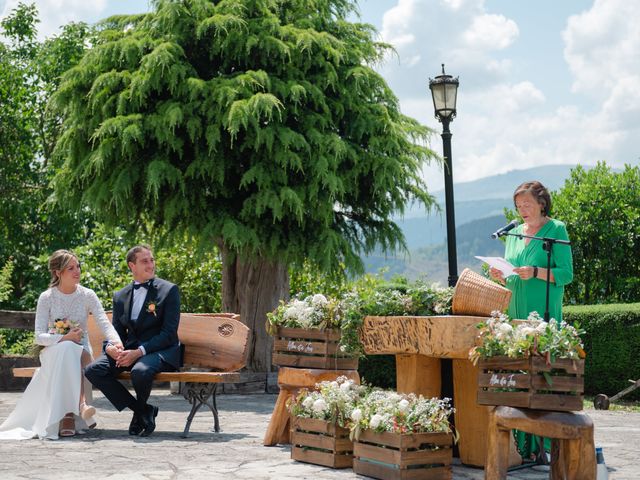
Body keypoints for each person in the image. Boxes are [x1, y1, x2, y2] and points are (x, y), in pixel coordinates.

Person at [490, 180, 574, 461]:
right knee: (520, 378)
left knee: (543, 375)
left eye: (527, 204)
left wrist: (536, 271)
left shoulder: (556, 230)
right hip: (516, 313)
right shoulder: (513, 233)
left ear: (541, 203)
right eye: (518, 206)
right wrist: (501, 275)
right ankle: (522, 447)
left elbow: (566, 274)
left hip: (544, 314)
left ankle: (547, 446)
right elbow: (511, 270)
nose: (522, 210)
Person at [0, 250, 122, 440]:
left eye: (78, 266)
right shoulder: (47, 297)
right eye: (70, 268)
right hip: (53, 351)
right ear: (58, 273)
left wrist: (117, 342)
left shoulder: (87, 295)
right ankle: (77, 409)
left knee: (72, 350)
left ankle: (69, 414)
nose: (77, 271)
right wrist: (64, 338)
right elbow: (39, 337)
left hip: (82, 351)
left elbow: (104, 322)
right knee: (66, 349)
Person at [85, 245, 181, 437]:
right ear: (132, 266)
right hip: (130, 350)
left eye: (152, 260)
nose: (151, 264)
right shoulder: (120, 296)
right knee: (93, 370)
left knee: (140, 371)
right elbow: (115, 331)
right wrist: (110, 347)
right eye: (145, 261)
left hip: (160, 350)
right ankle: (142, 410)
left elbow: (169, 333)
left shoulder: (168, 290)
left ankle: (139, 415)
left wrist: (140, 352)